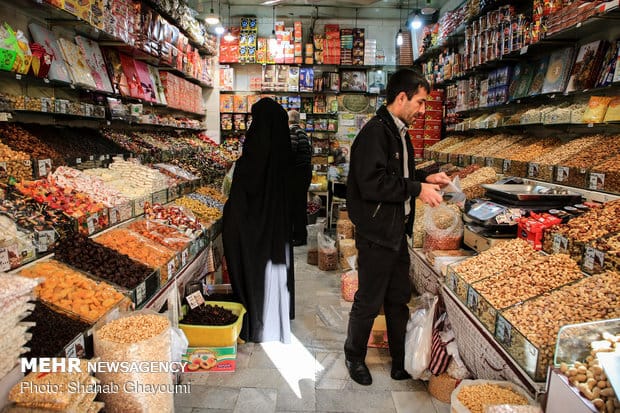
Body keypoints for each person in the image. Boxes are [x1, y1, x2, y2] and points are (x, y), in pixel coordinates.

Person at [343, 69, 451, 385]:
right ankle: (354, 356)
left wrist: (425, 178)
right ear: (401, 97)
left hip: (396, 231)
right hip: (376, 233)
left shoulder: (399, 132)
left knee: (398, 298)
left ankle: (399, 360)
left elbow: (397, 175)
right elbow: (372, 184)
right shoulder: (375, 133)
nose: (423, 110)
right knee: (369, 300)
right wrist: (417, 189)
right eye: (420, 102)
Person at [223, 97, 295, 344]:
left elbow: (246, 186)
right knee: (275, 269)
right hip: (276, 224)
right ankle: (274, 321)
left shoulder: (256, 147)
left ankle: (255, 322)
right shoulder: (284, 148)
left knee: (251, 267)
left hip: (253, 223)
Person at [288, 109, 313, 246]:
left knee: (295, 205)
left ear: (288, 120)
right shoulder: (303, 132)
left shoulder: (292, 131)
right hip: (305, 172)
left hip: (297, 173)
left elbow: (291, 152)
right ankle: (301, 235)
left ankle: (298, 237)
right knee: (300, 204)